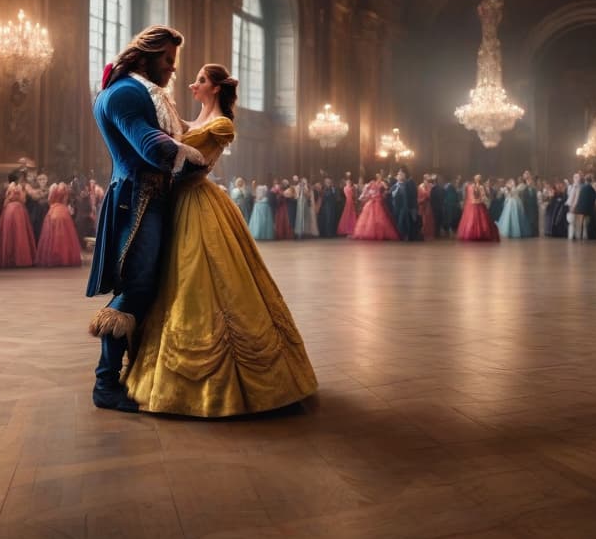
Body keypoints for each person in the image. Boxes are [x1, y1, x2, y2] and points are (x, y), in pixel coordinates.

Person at [124, 64, 317, 416]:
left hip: (199, 203)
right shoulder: (187, 123)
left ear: (215, 89)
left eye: (200, 80)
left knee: (206, 280)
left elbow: (178, 153)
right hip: (174, 204)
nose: (193, 84)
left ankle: (232, 383)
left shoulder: (220, 125)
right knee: (172, 281)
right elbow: (169, 138)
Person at [86, 25, 205, 413]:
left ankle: (131, 372)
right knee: (136, 287)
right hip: (139, 200)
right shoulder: (125, 93)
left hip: (149, 196)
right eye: (168, 60)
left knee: (148, 286)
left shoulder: (134, 91)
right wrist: (193, 157)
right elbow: (151, 147)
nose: (173, 69)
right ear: (147, 56)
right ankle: (106, 383)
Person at [35, 181, 82, 267]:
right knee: (66, 236)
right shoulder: (64, 188)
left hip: (53, 211)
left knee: (51, 236)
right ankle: (65, 257)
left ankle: (53, 257)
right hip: (63, 212)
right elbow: (65, 201)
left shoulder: (53, 188)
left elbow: (50, 200)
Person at [0, 171, 36, 268]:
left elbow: (5, 199)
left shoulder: (8, 186)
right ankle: (20, 259)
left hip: (8, 210)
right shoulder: (18, 187)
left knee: (8, 234)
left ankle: (8, 258)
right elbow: (23, 200)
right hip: (18, 210)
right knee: (19, 234)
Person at [351, 173, 399, 240]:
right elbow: (366, 191)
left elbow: (387, 189)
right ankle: (369, 232)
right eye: (377, 176)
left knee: (379, 219)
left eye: (379, 176)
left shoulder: (382, 183)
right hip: (372, 202)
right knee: (370, 218)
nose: (378, 177)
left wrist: (383, 194)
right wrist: (363, 196)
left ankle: (378, 233)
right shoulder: (371, 184)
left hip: (378, 202)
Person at [456, 174, 499, 242]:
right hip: (475, 205)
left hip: (477, 205)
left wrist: (484, 200)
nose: (478, 180)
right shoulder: (473, 186)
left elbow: (483, 196)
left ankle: (481, 234)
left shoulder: (479, 187)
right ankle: (475, 234)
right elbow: (477, 196)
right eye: (477, 179)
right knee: (473, 220)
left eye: (479, 179)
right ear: (475, 179)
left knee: (479, 220)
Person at [390, 168, 419, 241]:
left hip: (406, 207)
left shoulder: (408, 183)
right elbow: (391, 194)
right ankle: (403, 235)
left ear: (405, 175)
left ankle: (406, 235)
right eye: (399, 174)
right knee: (399, 222)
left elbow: (413, 195)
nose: (399, 175)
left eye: (401, 174)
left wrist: (413, 207)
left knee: (403, 221)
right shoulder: (395, 186)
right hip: (397, 207)